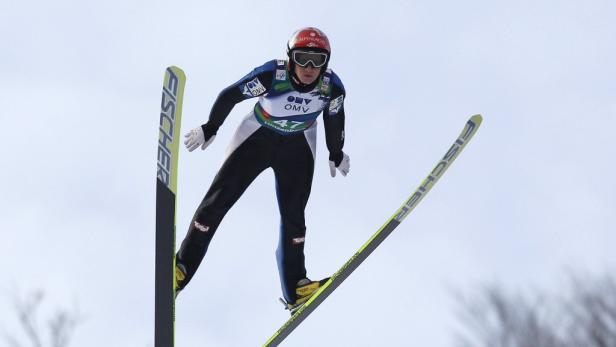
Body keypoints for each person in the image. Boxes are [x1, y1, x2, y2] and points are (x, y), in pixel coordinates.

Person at [174, 27, 349, 313]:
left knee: (295, 218)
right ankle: (180, 268)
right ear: (290, 58)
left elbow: (335, 116)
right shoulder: (272, 75)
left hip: (298, 144)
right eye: (303, 58)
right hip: (257, 138)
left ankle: (296, 289)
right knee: (217, 202)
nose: (308, 68)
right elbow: (231, 94)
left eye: (317, 61)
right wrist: (210, 127)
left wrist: (336, 151)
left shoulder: (332, 88)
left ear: (326, 64)